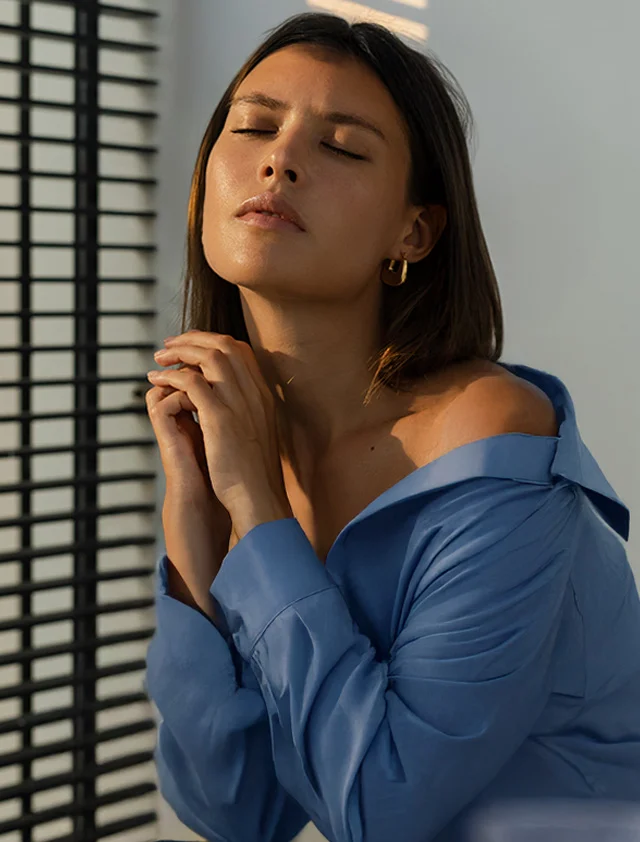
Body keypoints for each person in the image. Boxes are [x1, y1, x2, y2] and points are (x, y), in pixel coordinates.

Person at [144, 12, 640, 842]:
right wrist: (195, 533)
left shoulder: (491, 438)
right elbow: (237, 812)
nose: (279, 160)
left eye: (340, 146)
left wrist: (258, 508)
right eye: (256, 126)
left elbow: (383, 809)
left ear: (413, 231)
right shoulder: (250, 440)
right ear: (203, 188)